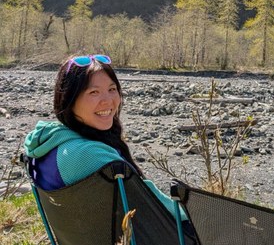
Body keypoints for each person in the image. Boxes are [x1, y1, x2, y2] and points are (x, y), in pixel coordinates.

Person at [24, 53, 180, 218]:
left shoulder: (48, 142)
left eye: (112, 89)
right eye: (94, 92)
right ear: (69, 99)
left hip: (85, 241)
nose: (108, 101)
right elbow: (157, 208)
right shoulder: (88, 155)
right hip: (133, 242)